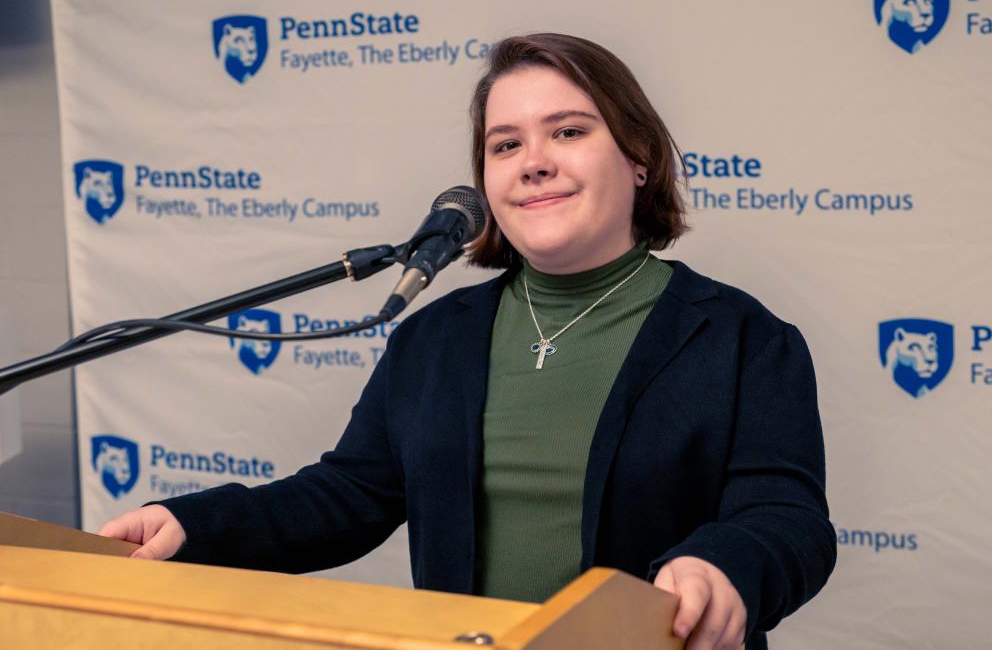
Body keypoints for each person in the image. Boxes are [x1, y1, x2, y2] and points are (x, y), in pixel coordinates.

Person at [100, 33, 836, 650]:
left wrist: (724, 565)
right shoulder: (436, 339)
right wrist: (196, 526)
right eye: (505, 143)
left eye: (569, 131)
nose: (533, 160)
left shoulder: (743, 339)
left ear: (638, 157)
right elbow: (350, 494)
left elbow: (786, 520)